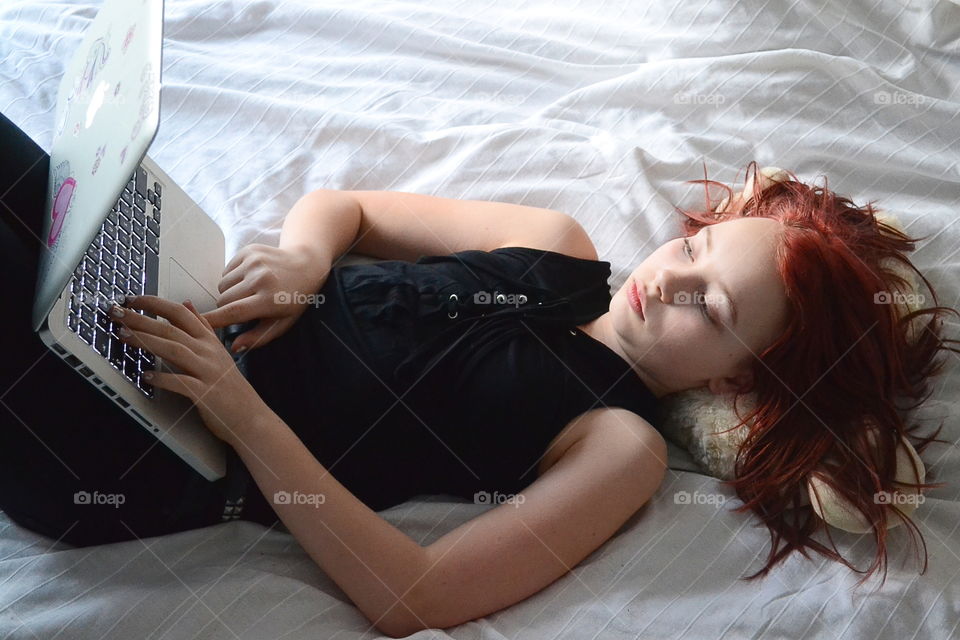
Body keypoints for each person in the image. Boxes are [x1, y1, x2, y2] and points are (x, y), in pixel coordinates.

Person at [2, 127, 955, 634]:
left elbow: (413, 595)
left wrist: (239, 413)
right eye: (694, 248)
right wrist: (302, 261)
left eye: (706, 306)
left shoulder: (619, 444)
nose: (667, 277)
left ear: (744, 386)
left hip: (146, 446)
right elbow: (349, 208)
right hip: (160, 299)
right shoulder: (558, 247)